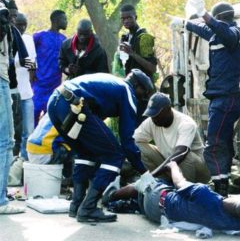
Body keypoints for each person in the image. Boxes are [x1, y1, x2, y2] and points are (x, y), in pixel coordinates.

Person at [47, 69, 154, 223]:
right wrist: (145, 173)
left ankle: (76, 205)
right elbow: (127, 142)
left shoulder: (112, 83)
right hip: (73, 104)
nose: (142, 97)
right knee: (115, 155)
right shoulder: (127, 91)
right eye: (143, 92)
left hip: (56, 100)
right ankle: (89, 208)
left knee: (86, 152)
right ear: (136, 84)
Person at [172, 0, 240, 196]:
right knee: (223, 142)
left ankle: (220, 187)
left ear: (219, 18)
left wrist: (204, 14)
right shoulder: (219, 34)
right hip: (223, 99)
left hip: (225, 99)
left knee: (213, 144)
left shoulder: (235, 33)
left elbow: (219, 30)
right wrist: (186, 23)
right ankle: (223, 183)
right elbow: (205, 30)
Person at [103, 161, 240, 234]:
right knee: (153, 193)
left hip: (156, 199)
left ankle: (110, 195)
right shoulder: (230, 223)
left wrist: (173, 166)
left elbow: (180, 182)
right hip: (158, 216)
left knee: (144, 184)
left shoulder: (204, 194)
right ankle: (130, 202)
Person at [134, 92, 210, 184]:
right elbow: (133, 140)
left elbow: (181, 152)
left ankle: (187, 189)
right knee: (137, 146)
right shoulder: (152, 121)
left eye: (157, 114)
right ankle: (162, 183)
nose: (154, 119)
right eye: (152, 115)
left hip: (198, 172)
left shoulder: (186, 123)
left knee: (183, 154)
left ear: (168, 109)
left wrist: (152, 175)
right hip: (172, 166)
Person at [0, 0, 24, 214]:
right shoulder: (3, 15)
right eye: (12, 16)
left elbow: (26, 59)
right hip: (2, 82)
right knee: (6, 142)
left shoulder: (14, 31)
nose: (14, 20)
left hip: (11, 85)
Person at [118, 4, 158, 125]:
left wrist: (132, 53)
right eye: (123, 19)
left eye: (129, 17)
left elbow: (152, 68)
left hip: (144, 93)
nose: (126, 21)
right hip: (131, 91)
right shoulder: (125, 37)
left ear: (136, 16)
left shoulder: (143, 38)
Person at [33, 10, 67, 126]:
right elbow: (28, 54)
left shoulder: (64, 40)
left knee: (50, 120)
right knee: (33, 118)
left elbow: (65, 62)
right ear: (56, 20)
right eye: (64, 19)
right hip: (38, 86)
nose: (66, 22)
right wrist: (31, 73)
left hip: (54, 87)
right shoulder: (39, 36)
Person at [14, 12, 36, 161]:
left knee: (28, 132)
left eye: (24, 24)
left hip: (27, 93)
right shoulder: (7, 38)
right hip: (11, 93)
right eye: (19, 24)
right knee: (11, 133)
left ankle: (25, 162)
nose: (22, 27)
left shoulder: (28, 39)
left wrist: (32, 76)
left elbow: (32, 64)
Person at [27, 113, 74, 179]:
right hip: (43, 153)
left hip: (30, 148)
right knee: (70, 150)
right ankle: (65, 182)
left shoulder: (50, 110)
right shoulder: (67, 115)